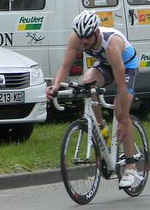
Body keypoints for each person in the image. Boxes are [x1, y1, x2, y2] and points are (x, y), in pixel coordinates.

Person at [47, 10, 142, 188]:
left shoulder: (111, 44)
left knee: (121, 112)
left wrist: (124, 117)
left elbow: (121, 87)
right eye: (81, 37)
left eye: (87, 38)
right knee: (86, 84)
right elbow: (65, 67)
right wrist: (56, 85)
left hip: (126, 66)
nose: (83, 42)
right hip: (105, 64)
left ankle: (130, 166)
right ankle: (102, 129)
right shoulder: (76, 39)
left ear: (96, 32)